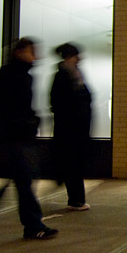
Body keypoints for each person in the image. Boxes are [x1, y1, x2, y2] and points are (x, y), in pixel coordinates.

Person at [0, 38, 58, 240]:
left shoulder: (25, 75)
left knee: (16, 178)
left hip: (24, 135)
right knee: (25, 180)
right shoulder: (8, 73)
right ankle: (33, 226)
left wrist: (31, 120)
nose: (35, 55)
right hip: (14, 136)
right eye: (31, 51)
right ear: (19, 52)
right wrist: (16, 120)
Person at [50, 42, 92, 211]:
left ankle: (76, 199)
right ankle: (76, 200)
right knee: (73, 164)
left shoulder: (75, 75)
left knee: (74, 164)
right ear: (69, 57)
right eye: (76, 56)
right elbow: (59, 103)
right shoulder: (63, 76)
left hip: (76, 129)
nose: (79, 59)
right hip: (70, 130)